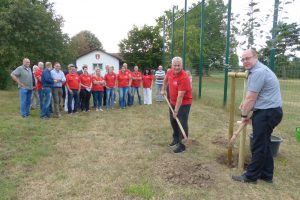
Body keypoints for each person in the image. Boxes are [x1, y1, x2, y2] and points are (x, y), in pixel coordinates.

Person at [232, 49, 283, 184]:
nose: (244, 62)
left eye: (247, 58)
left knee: (258, 145)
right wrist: (253, 114)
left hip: (268, 112)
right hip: (268, 111)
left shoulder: (258, 72)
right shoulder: (257, 70)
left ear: (255, 57)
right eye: (242, 60)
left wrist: (244, 115)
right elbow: (256, 97)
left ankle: (250, 176)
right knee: (264, 143)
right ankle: (266, 174)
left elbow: (250, 98)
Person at [161, 57, 192, 153]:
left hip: (184, 103)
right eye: (175, 65)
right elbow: (165, 80)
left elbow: (180, 96)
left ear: (182, 66)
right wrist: (163, 89)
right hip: (172, 101)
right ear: (172, 65)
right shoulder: (169, 72)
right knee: (173, 121)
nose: (177, 67)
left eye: (179, 65)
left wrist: (176, 111)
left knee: (181, 122)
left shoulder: (184, 77)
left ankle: (182, 145)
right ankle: (176, 139)